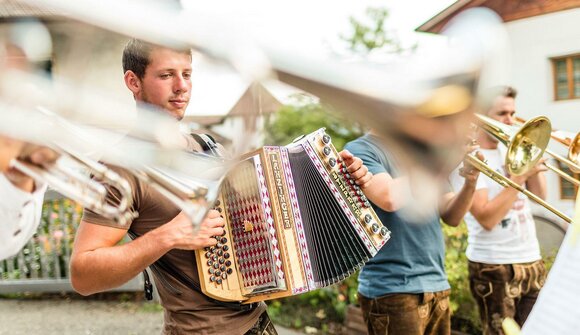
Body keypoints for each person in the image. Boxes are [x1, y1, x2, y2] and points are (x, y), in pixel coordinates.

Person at [70, 39, 373, 335]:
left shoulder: (207, 145)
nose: (181, 86)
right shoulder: (122, 168)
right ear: (133, 81)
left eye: (187, 74)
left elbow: (266, 216)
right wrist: (167, 235)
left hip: (258, 322)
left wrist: (339, 180)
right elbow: (83, 275)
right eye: (166, 75)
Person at [344, 130, 482, 335]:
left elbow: (452, 216)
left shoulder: (420, 153)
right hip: (393, 288)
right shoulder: (361, 149)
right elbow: (389, 197)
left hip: (436, 283)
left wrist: (471, 182)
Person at [449, 86, 547, 335]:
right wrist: (519, 178)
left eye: (512, 112)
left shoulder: (512, 147)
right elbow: (487, 218)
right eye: (502, 113)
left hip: (531, 258)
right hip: (494, 266)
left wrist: (535, 153)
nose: (510, 120)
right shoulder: (469, 158)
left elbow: (541, 196)